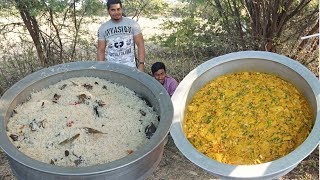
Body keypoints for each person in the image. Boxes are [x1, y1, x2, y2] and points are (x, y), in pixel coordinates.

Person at [97, 0, 145, 71]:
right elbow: (101, 50)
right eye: (113, 10)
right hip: (111, 68)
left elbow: (140, 45)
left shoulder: (132, 24)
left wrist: (141, 64)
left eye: (118, 9)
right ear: (108, 11)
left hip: (130, 67)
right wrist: (101, 68)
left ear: (121, 9)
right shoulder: (103, 28)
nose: (116, 12)